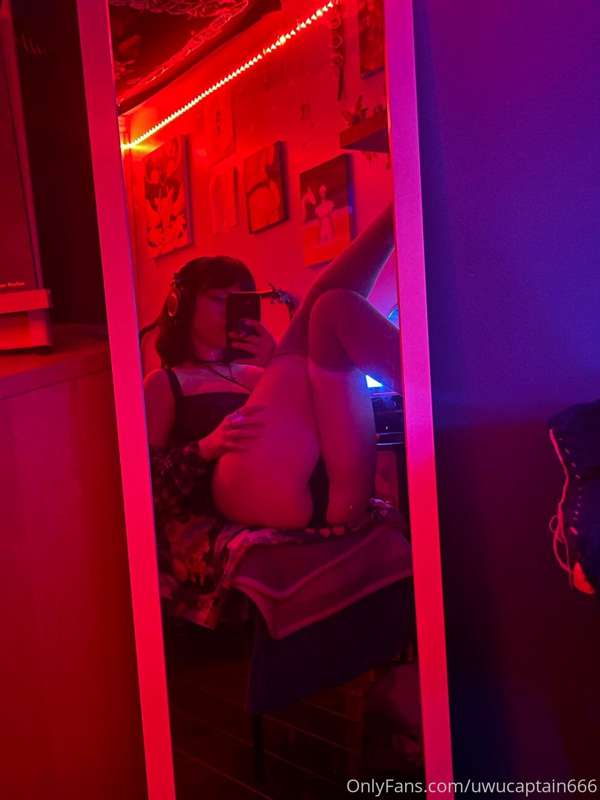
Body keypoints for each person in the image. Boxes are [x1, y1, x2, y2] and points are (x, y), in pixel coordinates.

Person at [145, 204, 399, 559]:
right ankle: (396, 215)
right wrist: (206, 446)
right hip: (237, 493)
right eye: (218, 300)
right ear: (180, 306)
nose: (230, 310)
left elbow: (318, 419)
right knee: (322, 310)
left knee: (333, 308)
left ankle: (437, 389)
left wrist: (273, 357)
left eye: (239, 302)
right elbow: (148, 486)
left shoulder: (257, 373)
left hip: (335, 491)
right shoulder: (164, 383)